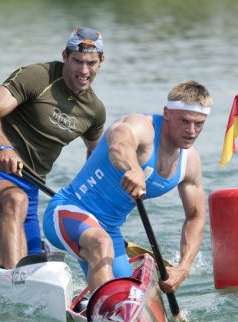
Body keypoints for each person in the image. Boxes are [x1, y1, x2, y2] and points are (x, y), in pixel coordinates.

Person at [42, 80, 211, 294]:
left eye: (199, 124)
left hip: (109, 230)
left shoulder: (191, 163)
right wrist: (133, 168)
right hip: (69, 212)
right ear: (167, 113)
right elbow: (119, 144)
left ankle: (96, 301)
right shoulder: (141, 126)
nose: (191, 130)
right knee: (101, 244)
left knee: (131, 291)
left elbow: (195, 216)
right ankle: (106, 314)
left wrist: (183, 268)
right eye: (185, 121)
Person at [0, 27, 107, 269]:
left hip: (30, 189)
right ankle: (13, 277)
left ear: (101, 61)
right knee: (14, 200)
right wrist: (3, 147)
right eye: (78, 61)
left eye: (91, 63)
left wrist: (90, 199)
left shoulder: (94, 110)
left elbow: (96, 159)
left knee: (34, 263)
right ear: (65, 56)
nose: (84, 71)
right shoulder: (38, 77)